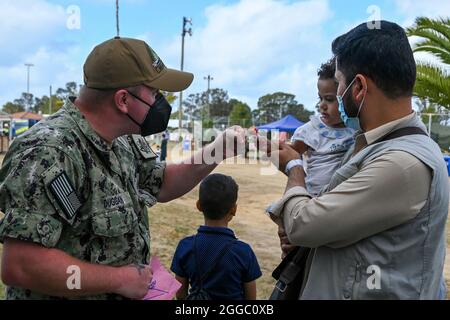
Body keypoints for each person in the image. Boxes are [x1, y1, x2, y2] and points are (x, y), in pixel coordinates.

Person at [0, 37, 246, 300]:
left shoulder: (124, 139)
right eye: (154, 93)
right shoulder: (49, 150)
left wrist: (220, 149)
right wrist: (119, 280)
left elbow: (160, 183)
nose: (161, 102)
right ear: (123, 101)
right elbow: (22, 265)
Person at [267, 21, 448, 299]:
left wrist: (294, 170)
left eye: (339, 83)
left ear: (359, 87)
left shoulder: (402, 163)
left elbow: (306, 225)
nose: (336, 94)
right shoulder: (370, 145)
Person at [171, 173, 262, 300]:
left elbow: (180, 294)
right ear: (234, 210)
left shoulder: (185, 246)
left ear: (198, 206)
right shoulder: (243, 252)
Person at [290, 58, 355, 196]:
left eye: (330, 99)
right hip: (315, 198)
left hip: (346, 199)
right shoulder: (310, 130)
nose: (322, 105)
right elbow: (291, 155)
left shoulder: (357, 127)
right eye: (320, 98)